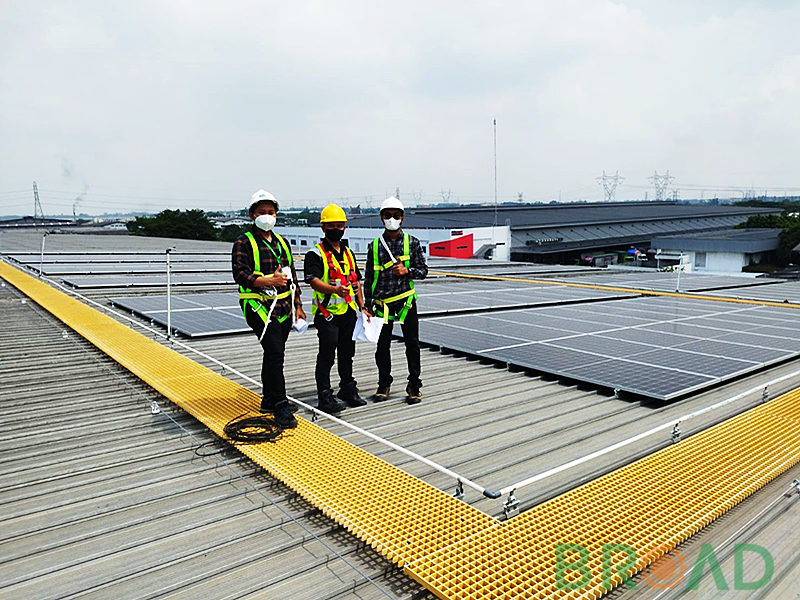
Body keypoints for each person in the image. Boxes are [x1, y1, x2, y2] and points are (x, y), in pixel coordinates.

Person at [231, 189, 306, 428]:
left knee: (274, 354)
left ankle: (269, 399)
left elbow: (291, 275)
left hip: (284, 304)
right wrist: (267, 281)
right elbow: (240, 274)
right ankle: (281, 405)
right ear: (252, 215)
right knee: (274, 352)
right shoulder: (244, 242)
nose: (267, 216)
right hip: (258, 305)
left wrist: (298, 305)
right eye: (262, 212)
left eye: (271, 212)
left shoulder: (282, 242)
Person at [363, 197, 428, 404]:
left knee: (412, 344)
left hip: (405, 301)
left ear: (402, 218)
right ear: (382, 218)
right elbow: (369, 277)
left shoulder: (413, 243)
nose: (392, 219)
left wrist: (407, 270)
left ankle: (414, 384)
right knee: (382, 346)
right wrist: (367, 304)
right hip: (382, 304)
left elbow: (423, 271)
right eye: (388, 216)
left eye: (396, 216)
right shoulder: (374, 246)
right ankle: (384, 383)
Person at [304, 204, 367, 413]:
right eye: (332, 225)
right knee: (327, 354)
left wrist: (362, 306)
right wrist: (334, 289)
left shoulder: (348, 252)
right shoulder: (315, 254)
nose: (337, 229)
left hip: (348, 312)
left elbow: (356, 281)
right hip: (327, 313)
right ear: (323, 228)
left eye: (340, 225)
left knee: (347, 352)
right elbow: (312, 281)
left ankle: (347, 389)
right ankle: (324, 395)